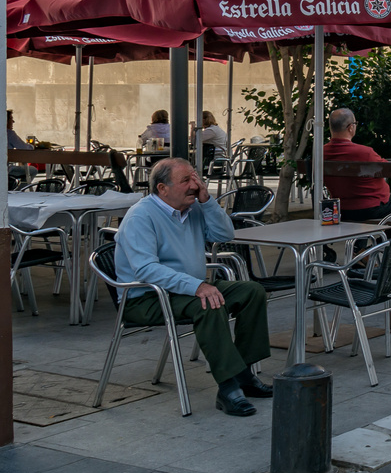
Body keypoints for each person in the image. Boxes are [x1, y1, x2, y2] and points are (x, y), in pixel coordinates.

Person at [113, 158, 272, 417]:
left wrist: (208, 202)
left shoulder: (194, 209)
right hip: (146, 297)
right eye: (186, 180)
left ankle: (242, 373)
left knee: (251, 291)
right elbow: (145, 269)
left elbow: (225, 235)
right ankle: (229, 387)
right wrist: (197, 286)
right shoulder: (141, 216)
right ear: (162, 188)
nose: (194, 185)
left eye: (195, 177)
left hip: (186, 288)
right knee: (208, 304)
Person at [321, 108, 391, 222]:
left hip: (341, 209)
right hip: (372, 208)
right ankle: (385, 240)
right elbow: (388, 169)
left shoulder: (321, 153)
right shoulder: (365, 153)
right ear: (350, 128)